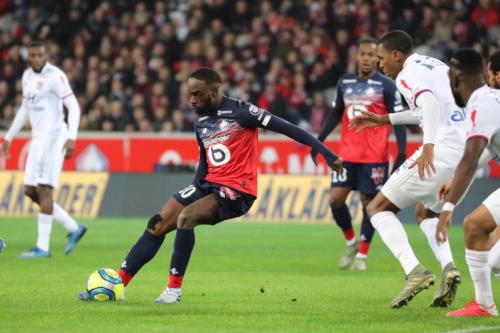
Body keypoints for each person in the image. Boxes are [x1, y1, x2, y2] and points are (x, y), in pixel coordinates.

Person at [78, 67, 343, 303]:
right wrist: (194, 190)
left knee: (186, 218)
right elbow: (205, 162)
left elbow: (289, 129)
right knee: (158, 222)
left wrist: (326, 152)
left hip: (237, 190)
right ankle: (118, 284)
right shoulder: (201, 121)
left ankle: (173, 291)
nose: (191, 100)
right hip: (208, 184)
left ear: (214, 91)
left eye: (197, 94)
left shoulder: (243, 112)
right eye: (189, 94)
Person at [349, 30, 465, 308]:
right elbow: (428, 107)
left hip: (441, 148)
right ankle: (449, 266)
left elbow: (429, 104)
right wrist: (384, 119)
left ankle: (414, 271)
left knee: (377, 208)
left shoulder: (405, 75)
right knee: (426, 212)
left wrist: (428, 145)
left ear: (396, 55)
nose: (380, 64)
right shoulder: (434, 64)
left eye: (381, 58)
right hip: (464, 151)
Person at [311, 37, 407, 271]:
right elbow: (335, 114)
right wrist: (319, 142)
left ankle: (362, 255)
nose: (366, 58)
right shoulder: (345, 81)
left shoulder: (387, 85)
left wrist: (402, 152)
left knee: (368, 203)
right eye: (363, 54)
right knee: (335, 200)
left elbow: (398, 121)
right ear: (356, 57)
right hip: (347, 154)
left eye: (372, 55)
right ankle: (351, 241)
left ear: (377, 58)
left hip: (375, 155)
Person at [0, 41, 86, 258]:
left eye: (40, 55)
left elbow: (73, 106)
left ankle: (43, 247)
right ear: (28, 57)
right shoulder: (27, 76)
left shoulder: (55, 76)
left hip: (54, 137)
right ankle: (73, 227)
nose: (36, 59)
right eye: (32, 55)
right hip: (37, 138)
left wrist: (72, 138)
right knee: (30, 190)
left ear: (46, 56)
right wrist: (9, 136)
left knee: (44, 189)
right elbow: (24, 108)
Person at [436, 49, 500, 317]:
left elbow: (470, 157)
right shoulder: (489, 99)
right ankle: (484, 305)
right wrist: (457, 179)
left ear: (455, 80)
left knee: (496, 261)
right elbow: (486, 150)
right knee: (475, 226)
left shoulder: (484, 102)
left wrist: (448, 208)